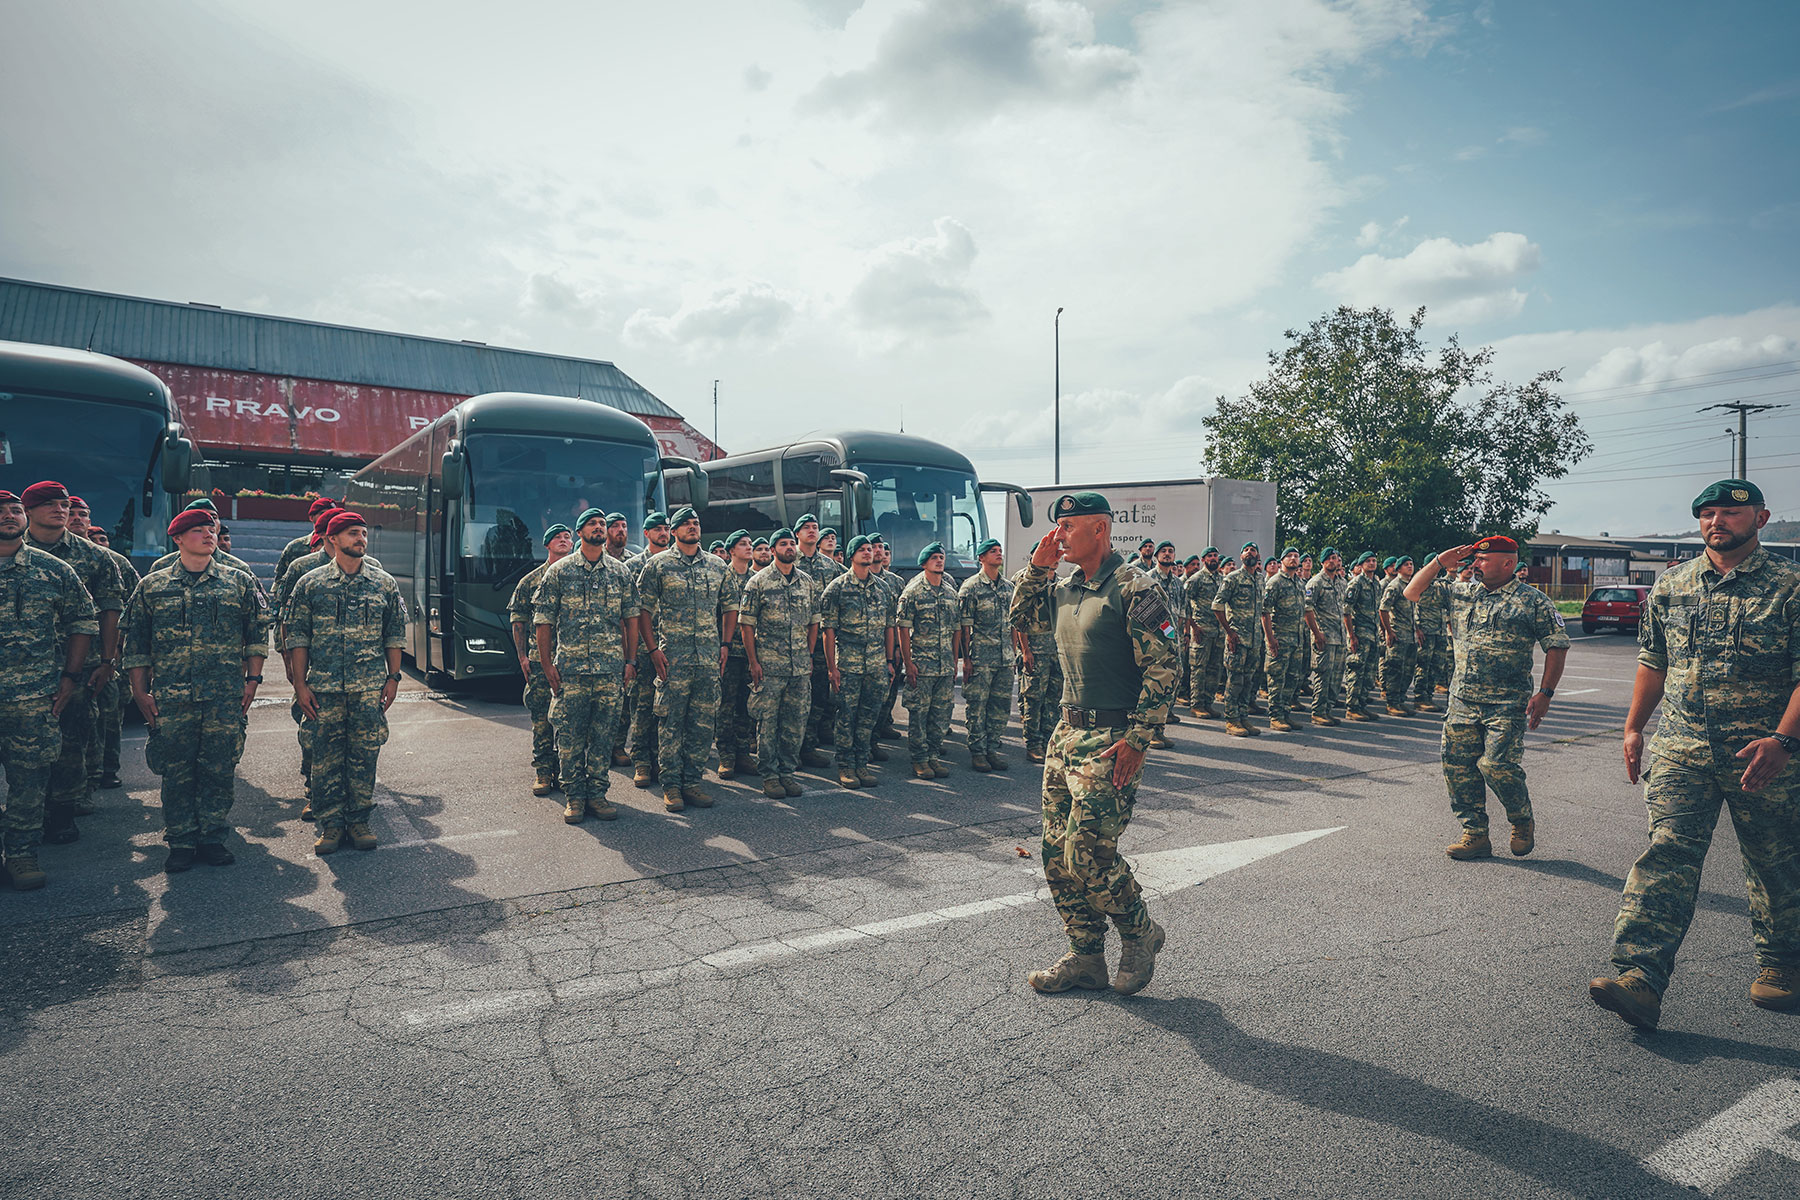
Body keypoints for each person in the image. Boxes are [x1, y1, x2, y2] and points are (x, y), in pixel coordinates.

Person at [1591, 479, 1800, 1029]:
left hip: (1764, 754)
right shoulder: (1671, 585)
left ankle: (1780, 965)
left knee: (1775, 861)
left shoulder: (1790, 588)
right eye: (1707, 514)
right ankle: (1639, 977)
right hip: (1682, 749)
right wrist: (1634, 727)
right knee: (1667, 855)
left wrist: (1785, 740)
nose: (1717, 522)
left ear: (1761, 517)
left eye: (1731, 514)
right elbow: (1653, 661)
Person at [1011, 492, 1177, 996]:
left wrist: (1138, 740)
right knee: (1056, 856)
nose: (1058, 535)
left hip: (1111, 738)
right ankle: (1086, 956)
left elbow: (1164, 667)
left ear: (1100, 530)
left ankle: (1140, 932)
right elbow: (1022, 621)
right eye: (1057, 527)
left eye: (1068, 527)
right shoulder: (1066, 587)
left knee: (1089, 853)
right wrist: (1036, 570)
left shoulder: (1134, 586)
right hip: (1066, 735)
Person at [1405, 534, 1569, 861]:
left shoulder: (1533, 601)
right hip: (1462, 700)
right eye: (1475, 559)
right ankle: (1474, 834)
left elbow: (1557, 645)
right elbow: (1412, 591)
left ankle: (1521, 819)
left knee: (1496, 765)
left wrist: (1546, 693)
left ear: (1507, 563)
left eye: (1483, 559)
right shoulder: (1461, 592)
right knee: (1459, 768)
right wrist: (1440, 561)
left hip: (1507, 703)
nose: (1475, 564)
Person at [122, 508, 269, 871]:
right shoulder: (153, 585)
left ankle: (212, 837)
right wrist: (140, 693)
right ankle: (182, 840)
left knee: (219, 769)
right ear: (178, 538)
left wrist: (253, 680)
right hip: (173, 699)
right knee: (177, 772)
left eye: (211, 529)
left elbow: (256, 635)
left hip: (224, 695)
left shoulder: (237, 581)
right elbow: (136, 644)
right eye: (198, 530)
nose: (209, 534)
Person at [285, 511, 407, 854]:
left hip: (368, 688)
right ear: (332, 539)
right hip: (323, 689)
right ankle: (332, 826)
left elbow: (394, 634)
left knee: (364, 757)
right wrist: (300, 686)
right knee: (324, 759)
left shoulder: (383, 583)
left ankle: (359, 821)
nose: (361, 539)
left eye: (364, 533)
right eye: (353, 533)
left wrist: (393, 678)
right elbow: (298, 638)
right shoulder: (311, 584)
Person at [0, 489, 96, 890]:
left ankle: (21, 855)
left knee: (29, 782)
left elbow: (83, 621)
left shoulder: (52, 569)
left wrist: (70, 676)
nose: (9, 515)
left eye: (15, 509)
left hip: (33, 698)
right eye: (1, 510)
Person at [21, 481, 123, 844]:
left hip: (82, 664)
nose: (60, 510)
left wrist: (108, 660)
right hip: (19, 666)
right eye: (49, 504)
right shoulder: (12, 550)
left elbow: (111, 610)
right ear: (28, 510)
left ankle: (63, 811)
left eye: (64, 504)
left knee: (73, 738)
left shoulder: (95, 556)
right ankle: (27, 812)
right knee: (22, 744)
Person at [533, 509, 639, 823]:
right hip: (571, 671)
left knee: (604, 737)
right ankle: (574, 798)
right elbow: (543, 621)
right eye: (592, 524)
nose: (599, 527)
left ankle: (597, 795)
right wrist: (547, 665)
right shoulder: (560, 572)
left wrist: (631, 660)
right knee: (569, 738)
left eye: (602, 524)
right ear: (580, 532)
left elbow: (630, 620)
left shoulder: (620, 572)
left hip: (609, 671)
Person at [637, 507, 734, 811]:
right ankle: (671, 786)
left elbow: (730, 606)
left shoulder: (718, 565)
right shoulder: (659, 565)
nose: (692, 527)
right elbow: (643, 611)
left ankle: (692, 782)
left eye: (696, 523)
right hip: (673, 658)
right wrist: (653, 650)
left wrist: (725, 644)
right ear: (674, 531)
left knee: (702, 723)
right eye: (685, 524)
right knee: (671, 723)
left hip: (707, 659)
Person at [737, 528, 818, 798]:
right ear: (773, 550)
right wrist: (753, 661)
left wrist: (808, 652)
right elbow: (746, 625)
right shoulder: (758, 582)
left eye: (791, 543)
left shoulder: (806, 582)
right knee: (768, 723)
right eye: (783, 544)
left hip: (799, 667)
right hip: (770, 665)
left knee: (795, 722)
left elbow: (814, 622)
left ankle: (787, 772)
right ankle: (770, 776)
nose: (789, 548)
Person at [68, 495, 137, 794]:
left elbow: (133, 604)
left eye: (83, 514)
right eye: (72, 513)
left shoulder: (112, 561)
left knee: (108, 715)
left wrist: (120, 653)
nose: (76, 518)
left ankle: (104, 771)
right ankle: (78, 781)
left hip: (106, 655)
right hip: (60, 657)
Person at [820, 535, 892, 788]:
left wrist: (889, 660)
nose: (867, 553)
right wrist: (832, 668)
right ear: (852, 556)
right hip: (848, 665)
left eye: (870, 549)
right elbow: (828, 631)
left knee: (868, 717)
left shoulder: (882, 588)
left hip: (875, 664)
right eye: (861, 550)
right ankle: (845, 767)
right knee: (846, 717)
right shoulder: (837, 588)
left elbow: (888, 627)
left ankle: (862, 764)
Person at [510, 524, 573, 797]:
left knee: (571, 721)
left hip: (572, 660)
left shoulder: (576, 577)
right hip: (539, 661)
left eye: (568, 537)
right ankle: (544, 772)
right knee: (542, 720)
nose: (563, 540)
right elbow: (518, 619)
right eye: (557, 537)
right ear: (546, 544)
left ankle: (567, 773)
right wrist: (522, 656)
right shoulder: (531, 581)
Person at [896, 542, 961, 778]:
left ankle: (933, 756)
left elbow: (956, 630)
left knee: (941, 714)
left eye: (941, 557)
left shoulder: (951, 593)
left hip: (944, 666)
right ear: (924, 563)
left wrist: (955, 662)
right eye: (934, 557)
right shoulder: (912, 592)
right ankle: (920, 759)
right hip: (921, 666)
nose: (939, 560)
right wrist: (908, 662)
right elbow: (903, 629)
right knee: (919, 715)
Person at [793, 514, 846, 766]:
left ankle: (808, 746)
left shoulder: (831, 565)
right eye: (806, 528)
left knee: (818, 696)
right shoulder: (789, 560)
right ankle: (790, 748)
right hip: (793, 639)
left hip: (822, 640)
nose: (812, 531)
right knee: (794, 698)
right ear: (797, 535)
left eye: (815, 527)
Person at [623, 512, 673, 781]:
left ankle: (663, 759)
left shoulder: (675, 563)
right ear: (646, 533)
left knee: (667, 708)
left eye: (666, 528)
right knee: (642, 707)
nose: (663, 533)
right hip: (643, 649)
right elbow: (628, 614)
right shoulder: (632, 566)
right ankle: (642, 759)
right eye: (657, 529)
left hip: (671, 646)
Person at [958, 538, 1014, 772]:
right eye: (993, 552)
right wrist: (967, 659)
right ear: (981, 558)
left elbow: (1014, 625)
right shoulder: (971, 588)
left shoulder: (1009, 587)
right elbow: (964, 627)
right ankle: (978, 752)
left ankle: (992, 749)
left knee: (1000, 708)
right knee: (978, 707)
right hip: (981, 658)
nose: (998, 554)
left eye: (1000, 551)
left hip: (1005, 659)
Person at [1011, 557, 1064, 764]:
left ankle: (1049, 742)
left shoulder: (1061, 584)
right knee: (1033, 700)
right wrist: (1025, 650)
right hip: (1036, 651)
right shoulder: (1031, 583)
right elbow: (1019, 619)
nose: (1055, 561)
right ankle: (1033, 744)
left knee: (1054, 699)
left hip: (1056, 651)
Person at [1213, 541, 1265, 737]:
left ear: (1258, 557)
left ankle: (1243, 717)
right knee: (1234, 680)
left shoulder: (1260, 579)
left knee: (1248, 680)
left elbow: (1263, 610)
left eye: (1254, 550)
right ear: (1241, 556)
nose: (1250, 553)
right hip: (1238, 639)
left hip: (1254, 640)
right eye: (1246, 550)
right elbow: (1217, 606)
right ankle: (1232, 720)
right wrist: (1229, 632)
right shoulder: (1232, 578)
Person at [716, 530, 757, 780]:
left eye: (750, 543)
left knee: (746, 705)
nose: (749, 547)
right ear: (732, 551)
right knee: (725, 705)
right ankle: (726, 755)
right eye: (743, 544)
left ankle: (743, 752)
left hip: (750, 652)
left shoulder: (756, 579)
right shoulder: (722, 575)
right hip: (728, 652)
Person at [1261, 546, 1314, 732]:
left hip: (1296, 639)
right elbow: (1265, 613)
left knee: (1292, 679)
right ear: (1282, 560)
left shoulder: (1299, 583)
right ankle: (1275, 716)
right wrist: (1270, 639)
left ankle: (1285, 714)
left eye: (1296, 556)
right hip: (1280, 639)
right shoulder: (1275, 582)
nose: (1293, 559)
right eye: (1289, 556)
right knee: (1277, 679)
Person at [1146, 541, 1186, 747]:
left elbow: (1180, 612)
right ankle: (1148, 731)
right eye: (1164, 551)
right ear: (1156, 556)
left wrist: (1177, 635)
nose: (1168, 554)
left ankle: (1159, 729)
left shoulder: (1178, 583)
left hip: (1173, 640)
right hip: (1154, 641)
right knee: (1154, 684)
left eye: (1171, 551)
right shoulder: (1148, 579)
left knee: (1171, 682)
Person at [1342, 551, 1384, 722]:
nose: (1372, 563)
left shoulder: (1376, 584)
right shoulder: (1356, 583)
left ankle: (1361, 705)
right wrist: (1351, 635)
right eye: (1368, 561)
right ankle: (1352, 707)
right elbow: (1346, 611)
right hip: (1360, 633)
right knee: (1356, 671)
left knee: (1369, 672)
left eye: (1374, 561)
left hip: (1373, 633)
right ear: (1361, 565)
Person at [1306, 549, 1346, 725]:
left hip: (1339, 636)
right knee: (1323, 675)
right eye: (1329, 559)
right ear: (1322, 562)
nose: (1333, 561)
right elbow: (1307, 609)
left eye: (1335, 558)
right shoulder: (1315, 583)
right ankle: (1318, 711)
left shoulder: (1342, 582)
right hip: (1324, 636)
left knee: (1336, 677)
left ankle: (1328, 709)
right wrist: (1316, 633)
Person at [1185, 548, 1224, 720]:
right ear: (1203, 560)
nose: (1213, 558)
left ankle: (1208, 703)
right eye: (1210, 556)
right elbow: (1185, 604)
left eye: (1215, 556)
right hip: (1201, 630)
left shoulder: (1222, 579)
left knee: (1214, 669)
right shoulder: (1196, 579)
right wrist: (1192, 626)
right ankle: (1197, 704)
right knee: (1199, 669)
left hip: (1218, 631)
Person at [1379, 556, 1421, 716]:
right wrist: (1388, 631)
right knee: (1394, 670)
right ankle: (1392, 703)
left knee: (1408, 670)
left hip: (1410, 635)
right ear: (1398, 569)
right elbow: (1383, 609)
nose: (1410, 567)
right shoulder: (1394, 586)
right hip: (1398, 635)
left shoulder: (1412, 585)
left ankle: (1400, 700)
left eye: (1411, 564)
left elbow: (1413, 611)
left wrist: (1417, 629)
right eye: (1406, 565)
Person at [1411, 561, 1451, 713]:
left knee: (1436, 666)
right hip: (1425, 631)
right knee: (1423, 665)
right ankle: (1420, 698)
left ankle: (1429, 695)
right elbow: (1412, 607)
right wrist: (1417, 628)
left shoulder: (1439, 586)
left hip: (1439, 632)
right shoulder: (1420, 585)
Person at [275, 496, 339, 584]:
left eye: (333, 514)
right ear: (312, 518)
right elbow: (279, 581)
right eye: (322, 513)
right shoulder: (295, 547)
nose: (328, 518)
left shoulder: (343, 547)